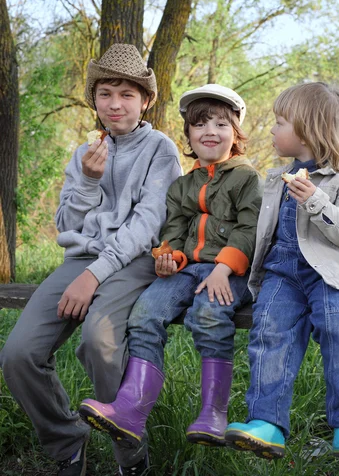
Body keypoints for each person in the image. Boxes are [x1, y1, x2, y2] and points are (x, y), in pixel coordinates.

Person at [0, 44, 182, 476]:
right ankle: (68, 444)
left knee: (99, 343)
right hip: (80, 259)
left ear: (146, 100)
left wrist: (92, 276)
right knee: (19, 355)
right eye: (105, 93)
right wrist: (87, 181)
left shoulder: (161, 149)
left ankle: (132, 457)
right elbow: (66, 221)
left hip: (134, 262)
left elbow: (147, 225)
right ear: (94, 99)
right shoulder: (83, 151)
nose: (115, 104)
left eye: (126, 94)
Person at [78, 83, 264, 452]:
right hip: (188, 270)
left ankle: (213, 413)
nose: (210, 131)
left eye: (221, 125)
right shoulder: (182, 185)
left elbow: (250, 229)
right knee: (145, 314)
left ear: (237, 135)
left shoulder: (247, 179)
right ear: (189, 137)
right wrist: (169, 259)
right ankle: (132, 410)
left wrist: (224, 268)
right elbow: (173, 232)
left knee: (209, 314)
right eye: (200, 125)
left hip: (231, 272)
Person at [225, 81, 339, 460]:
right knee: (269, 334)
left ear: (308, 130)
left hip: (333, 275)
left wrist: (317, 202)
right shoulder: (275, 179)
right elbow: (265, 233)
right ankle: (266, 423)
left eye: (280, 122)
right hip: (283, 274)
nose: (272, 130)